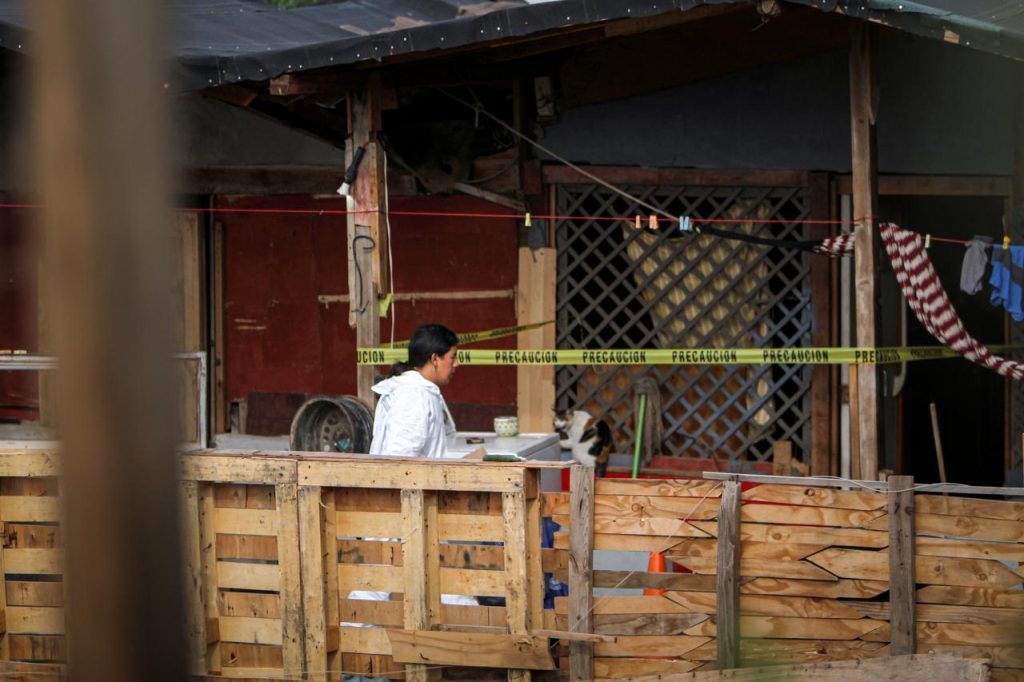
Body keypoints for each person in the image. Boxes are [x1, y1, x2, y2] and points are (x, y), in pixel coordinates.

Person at [368, 323, 460, 458]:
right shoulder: (413, 396)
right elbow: (400, 458)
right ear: (435, 359)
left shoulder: (422, 391)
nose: (457, 363)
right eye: (453, 357)